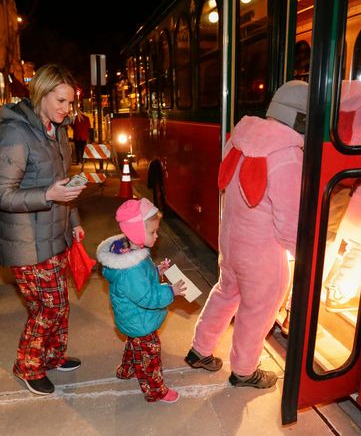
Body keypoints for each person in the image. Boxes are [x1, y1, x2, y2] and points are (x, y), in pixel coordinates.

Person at [184, 80, 307, 389]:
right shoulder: (288, 154)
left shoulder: (238, 138)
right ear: (302, 118)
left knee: (226, 293)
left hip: (231, 241)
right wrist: (306, 255)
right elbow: (289, 218)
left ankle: (200, 350)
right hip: (262, 252)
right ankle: (244, 370)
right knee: (259, 309)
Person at [0, 63, 86, 396]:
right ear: (41, 94)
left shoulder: (56, 129)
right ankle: (27, 366)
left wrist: (74, 222)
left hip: (54, 235)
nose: (67, 109)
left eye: (70, 103)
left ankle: (53, 356)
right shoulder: (14, 133)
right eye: (61, 101)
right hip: (26, 241)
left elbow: (63, 182)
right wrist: (48, 195)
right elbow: (1, 193)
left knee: (60, 303)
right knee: (48, 307)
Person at [96, 198, 186, 404]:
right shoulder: (131, 269)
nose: (157, 235)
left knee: (135, 344)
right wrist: (171, 291)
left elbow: (141, 280)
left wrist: (156, 271)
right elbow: (147, 297)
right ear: (136, 231)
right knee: (149, 354)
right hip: (140, 319)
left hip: (133, 319)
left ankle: (126, 370)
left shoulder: (131, 251)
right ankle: (155, 391)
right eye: (153, 232)